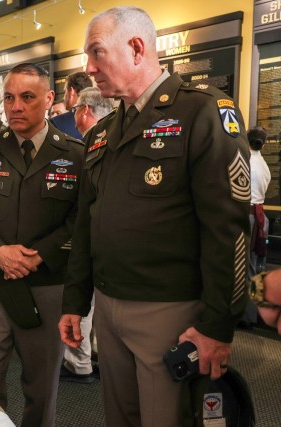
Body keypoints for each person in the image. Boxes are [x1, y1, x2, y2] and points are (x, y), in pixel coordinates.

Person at [58, 7, 250, 427]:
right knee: (120, 417)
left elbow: (228, 229)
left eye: (96, 53)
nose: (88, 68)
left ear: (137, 48)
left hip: (169, 312)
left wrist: (218, 325)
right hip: (108, 309)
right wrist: (75, 301)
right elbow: (87, 225)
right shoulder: (104, 133)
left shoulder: (201, 112)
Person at [0, 63, 84, 427]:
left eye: (27, 97)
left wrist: (39, 254)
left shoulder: (75, 154)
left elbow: (82, 218)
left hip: (46, 285)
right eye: (9, 98)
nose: (16, 107)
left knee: (42, 387)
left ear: (49, 99)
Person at [60, 86, 115, 384]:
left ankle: (79, 363)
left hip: (88, 244)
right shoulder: (113, 142)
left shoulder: (89, 147)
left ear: (84, 111)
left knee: (82, 305)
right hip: (108, 247)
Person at [242, 127, 271, 327]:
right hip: (259, 217)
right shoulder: (264, 165)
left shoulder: (245, 161)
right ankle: (250, 316)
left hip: (246, 216)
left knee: (242, 268)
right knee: (252, 267)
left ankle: (244, 317)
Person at [51, 71, 93, 139]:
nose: (64, 97)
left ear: (71, 91)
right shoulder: (101, 120)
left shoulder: (56, 123)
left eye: (65, 92)